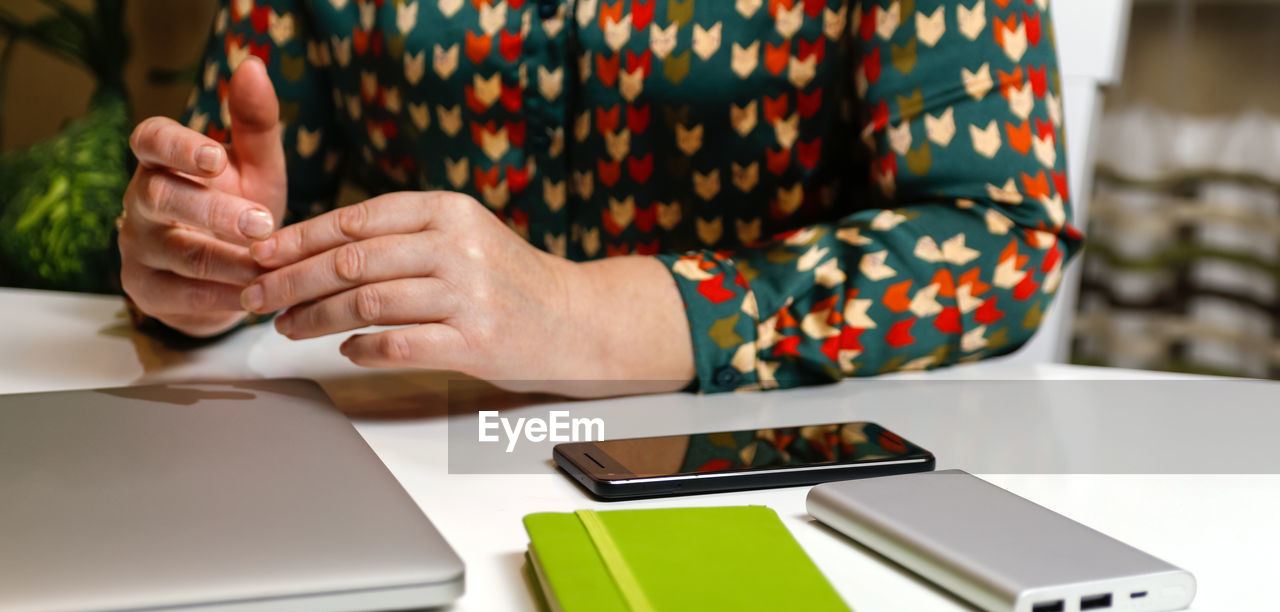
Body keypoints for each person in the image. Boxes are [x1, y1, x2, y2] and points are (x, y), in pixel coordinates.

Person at [118, 0, 1080, 395]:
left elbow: (1003, 233)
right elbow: (244, 193)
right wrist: (206, 262)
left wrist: (582, 315)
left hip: (781, 460)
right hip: (403, 456)